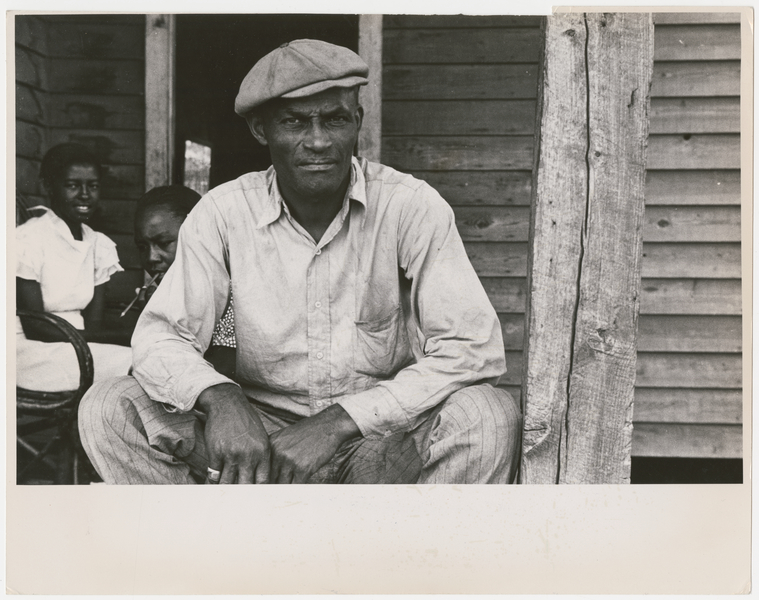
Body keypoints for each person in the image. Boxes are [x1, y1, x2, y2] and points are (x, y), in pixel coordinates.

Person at [79, 39, 522, 485]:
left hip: (379, 439)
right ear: (260, 130)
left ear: (357, 122)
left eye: (335, 119)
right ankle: (205, 550)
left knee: (487, 415)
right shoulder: (223, 213)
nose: (317, 141)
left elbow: (472, 348)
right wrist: (221, 398)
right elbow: (160, 337)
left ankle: (412, 553)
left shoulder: (410, 206)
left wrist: (339, 421)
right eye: (294, 122)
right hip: (260, 440)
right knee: (111, 408)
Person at [16, 143, 132, 392]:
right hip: (30, 351)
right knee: (135, 361)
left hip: (78, 344)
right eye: (72, 186)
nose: (85, 195)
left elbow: (95, 323)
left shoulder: (98, 245)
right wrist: (121, 338)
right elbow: (35, 327)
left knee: (145, 357)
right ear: (49, 187)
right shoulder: (27, 240)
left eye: (93, 186)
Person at [132, 185, 236, 379]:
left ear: (198, 236)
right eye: (142, 247)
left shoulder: (229, 292)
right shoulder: (164, 295)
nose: (152, 257)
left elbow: (222, 368)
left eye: (163, 243)